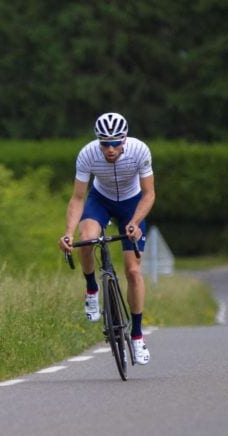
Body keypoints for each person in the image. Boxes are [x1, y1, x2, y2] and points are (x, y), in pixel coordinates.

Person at [58, 112, 155, 365]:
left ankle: (136, 335)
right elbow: (78, 198)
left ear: (125, 139)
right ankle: (92, 288)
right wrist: (68, 233)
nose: (110, 149)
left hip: (132, 205)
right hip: (100, 200)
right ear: (98, 142)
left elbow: (149, 194)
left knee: (133, 271)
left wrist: (134, 222)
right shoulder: (88, 154)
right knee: (88, 238)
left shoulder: (140, 151)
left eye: (115, 143)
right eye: (105, 144)